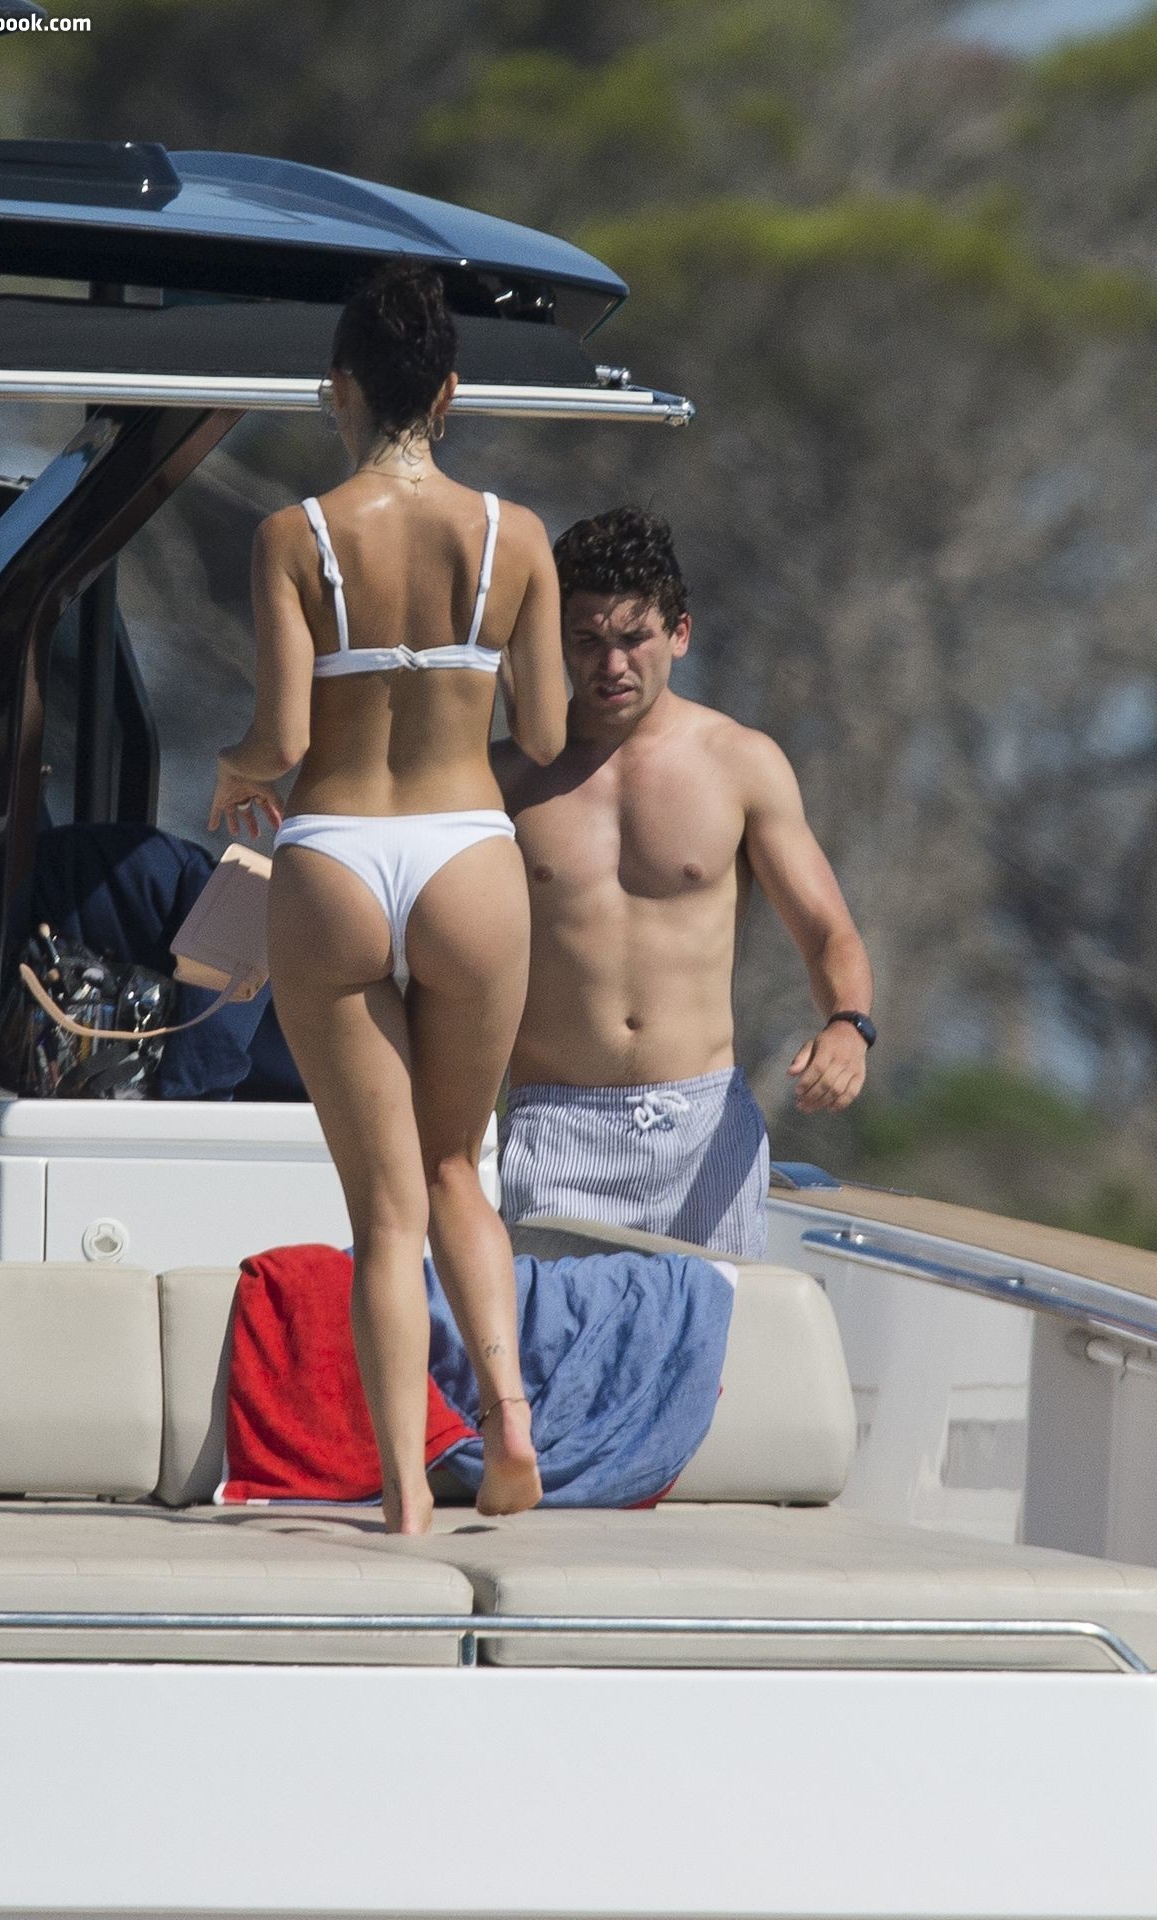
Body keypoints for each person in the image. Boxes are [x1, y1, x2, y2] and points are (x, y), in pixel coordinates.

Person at [209, 263, 566, 1533]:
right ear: (450, 393)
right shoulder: (516, 537)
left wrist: (233, 774)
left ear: (340, 389)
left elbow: (282, 736)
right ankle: (509, 1423)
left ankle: (408, 1495)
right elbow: (548, 730)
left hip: (338, 855)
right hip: (468, 852)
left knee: (382, 1214)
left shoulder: (292, 535)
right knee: (459, 1166)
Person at [493, 507, 874, 1258]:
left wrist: (848, 1026)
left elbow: (829, 932)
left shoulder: (741, 763)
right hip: (555, 1125)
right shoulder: (507, 779)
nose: (612, 666)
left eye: (634, 638)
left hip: (703, 1134)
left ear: (680, 634)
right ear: (556, 643)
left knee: (711, 1337)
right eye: (587, 641)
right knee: (550, 1336)